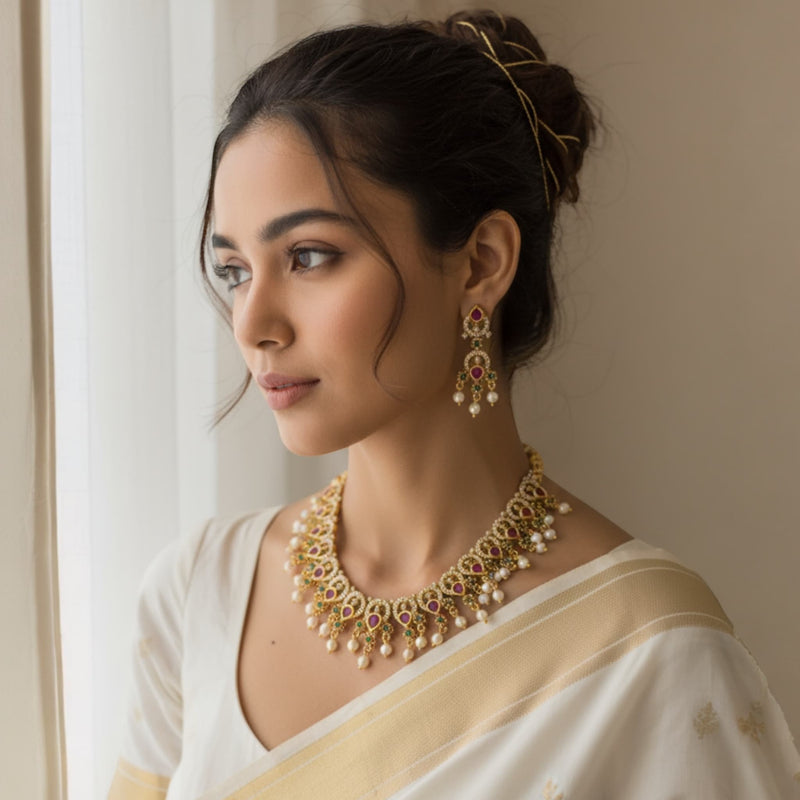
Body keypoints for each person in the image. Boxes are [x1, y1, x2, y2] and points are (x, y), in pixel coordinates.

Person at [108, 10, 800, 799]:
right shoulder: (198, 593)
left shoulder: (652, 654)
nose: (253, 324)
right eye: (235, 270)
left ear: (481, 262)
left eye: (308, 257)